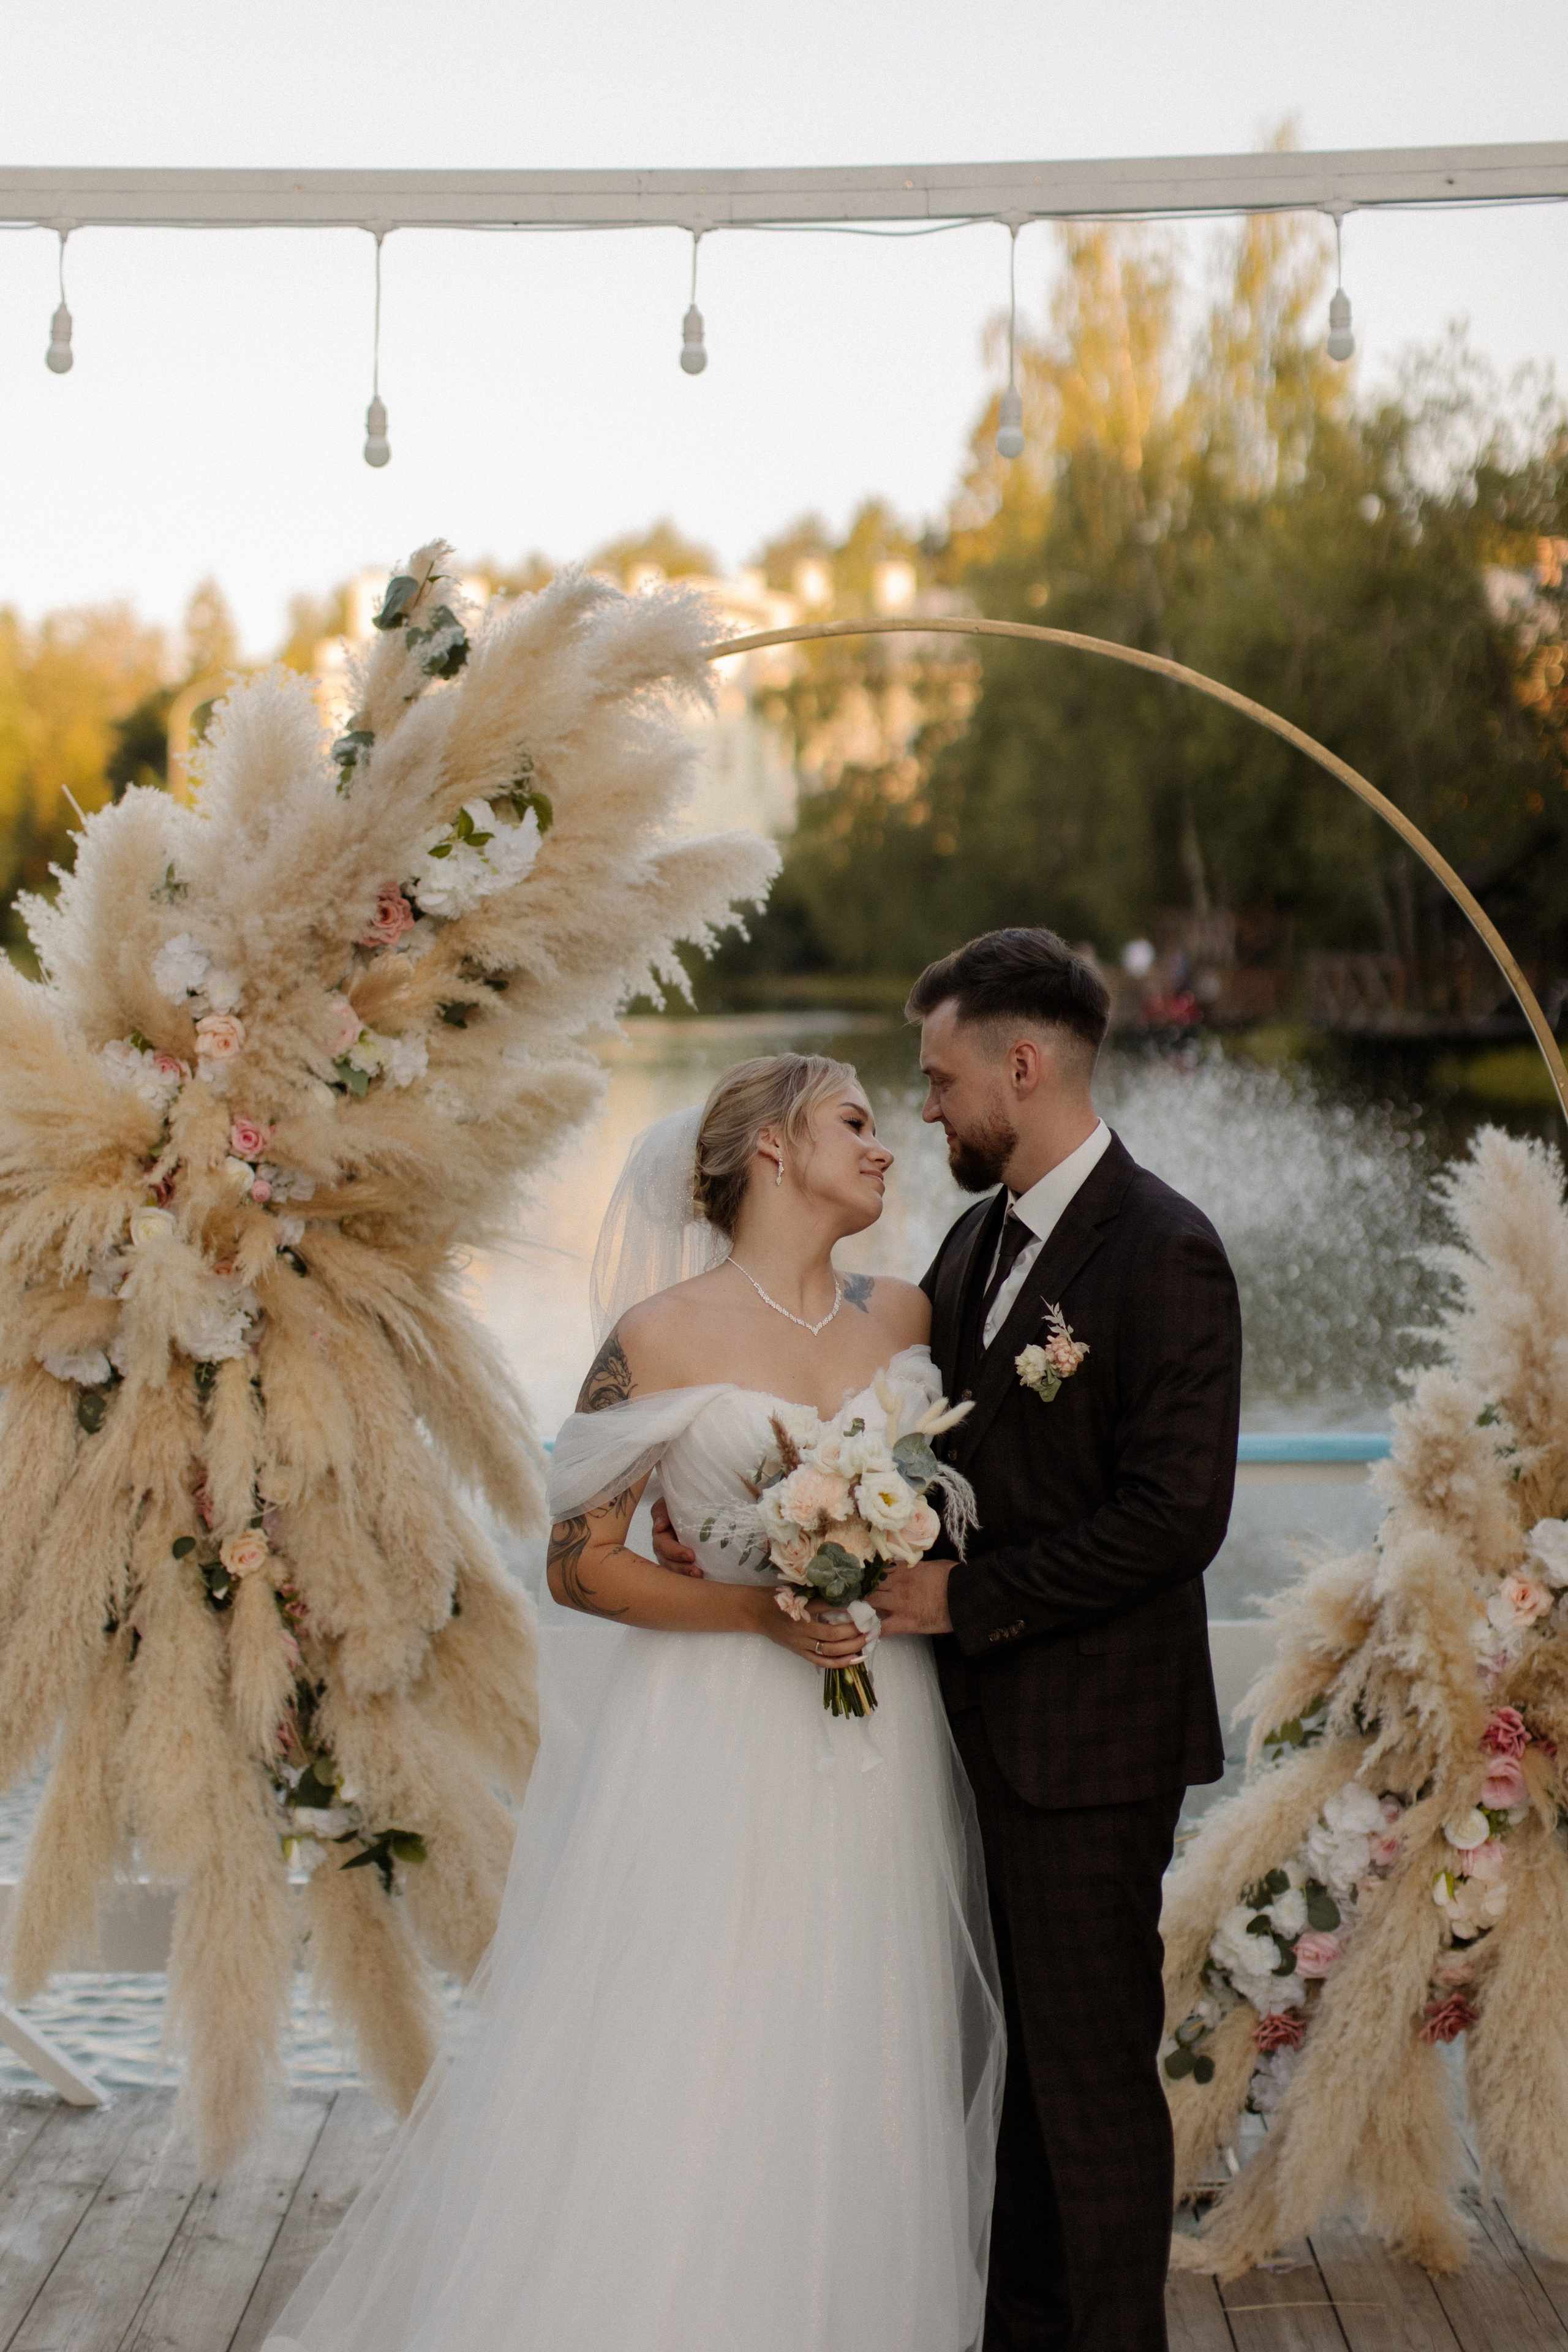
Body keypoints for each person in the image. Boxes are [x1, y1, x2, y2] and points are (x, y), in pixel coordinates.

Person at [265, 1052, 1003, 2352]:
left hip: (880, 1731)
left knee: (858, 2027)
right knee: (697, 2028)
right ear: (773, 1147)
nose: (884, 1146)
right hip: (711, 1730)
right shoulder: (656, 1337)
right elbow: (576, 1566)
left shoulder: (906, 1316)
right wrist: (757, 1611)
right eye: (853, 1122)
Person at [880, 928, 1241, 2352]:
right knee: (1018, 2093)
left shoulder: (1163, 1248)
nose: (925, 1107)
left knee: (1085, 2091)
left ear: (1018, 1066)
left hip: (1088, 1750)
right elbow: (940, 1464)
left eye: (938, 1078)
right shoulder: (971, 1244)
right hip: (967, 1736)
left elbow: (1174, 1519)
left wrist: (960, 1602)